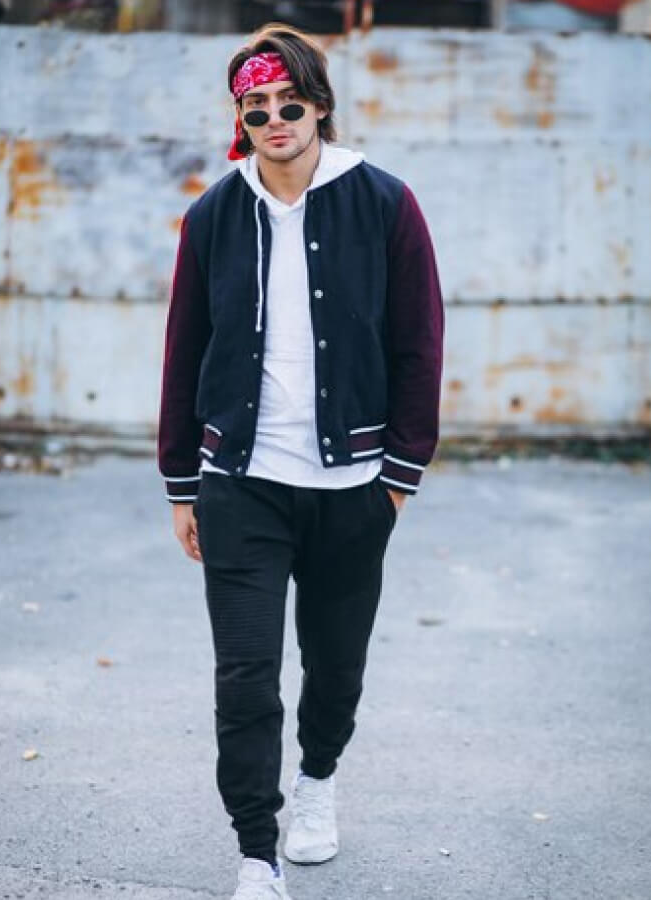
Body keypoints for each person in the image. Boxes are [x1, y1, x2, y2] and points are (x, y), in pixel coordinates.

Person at [157, 23, 444, 900]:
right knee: (245, 677)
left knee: (335, 665)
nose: (275, 119)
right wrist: (181, 483)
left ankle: (318, 780)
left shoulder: (384, 202)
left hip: (352, 489)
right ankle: (257, 851)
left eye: (290, 103)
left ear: (319, 107)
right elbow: (184, 347)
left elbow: (419, 342)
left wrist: (398, 477)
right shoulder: (215, 214)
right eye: (258, 107)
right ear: (240, 119)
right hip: (241, 484)